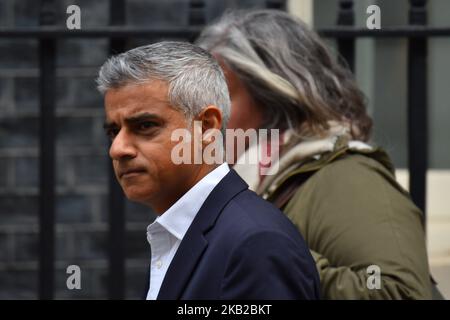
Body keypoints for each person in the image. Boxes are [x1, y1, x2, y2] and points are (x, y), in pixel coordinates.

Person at [196, 9, 433, 299]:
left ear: (275, 98)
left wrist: (267, 256)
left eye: (219, 98)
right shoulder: (249, 185)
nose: (204, 117)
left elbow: (402, 294)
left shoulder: (347, 176)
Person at [96, 41, 320, 300]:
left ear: (206, 127)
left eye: (145, 125)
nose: (118, 149)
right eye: (114, 131)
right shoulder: (179, 235)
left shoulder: (255, 243)